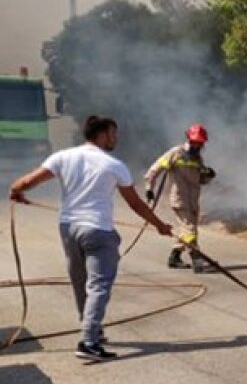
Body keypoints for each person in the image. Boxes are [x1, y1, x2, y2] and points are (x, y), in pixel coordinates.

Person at [8, 115, 173, 362]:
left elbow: (27, 182)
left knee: (79, 279)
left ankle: (91, 329)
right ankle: (88, 341)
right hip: (98, 230)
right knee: (99, 285)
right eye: (113, 134)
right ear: (103, 134)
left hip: (69, 228)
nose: (115, 138)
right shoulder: (113, 164)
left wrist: (16, 190)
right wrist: (160, 225)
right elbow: (136, 203)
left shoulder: (63, 157)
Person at [144, 123, 215, 273]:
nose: (197, 145)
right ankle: (196, 258)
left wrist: (208, 176)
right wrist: (149, 188)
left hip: (193, 201)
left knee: (186, 229)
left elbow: (200, 180)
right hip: (180, 199)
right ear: (189, 139)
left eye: (200, 142)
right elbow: (155, 169)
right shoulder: (176, 153)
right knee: (190, 229)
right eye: (195, 141)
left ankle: (174, 257)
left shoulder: (198, 159)